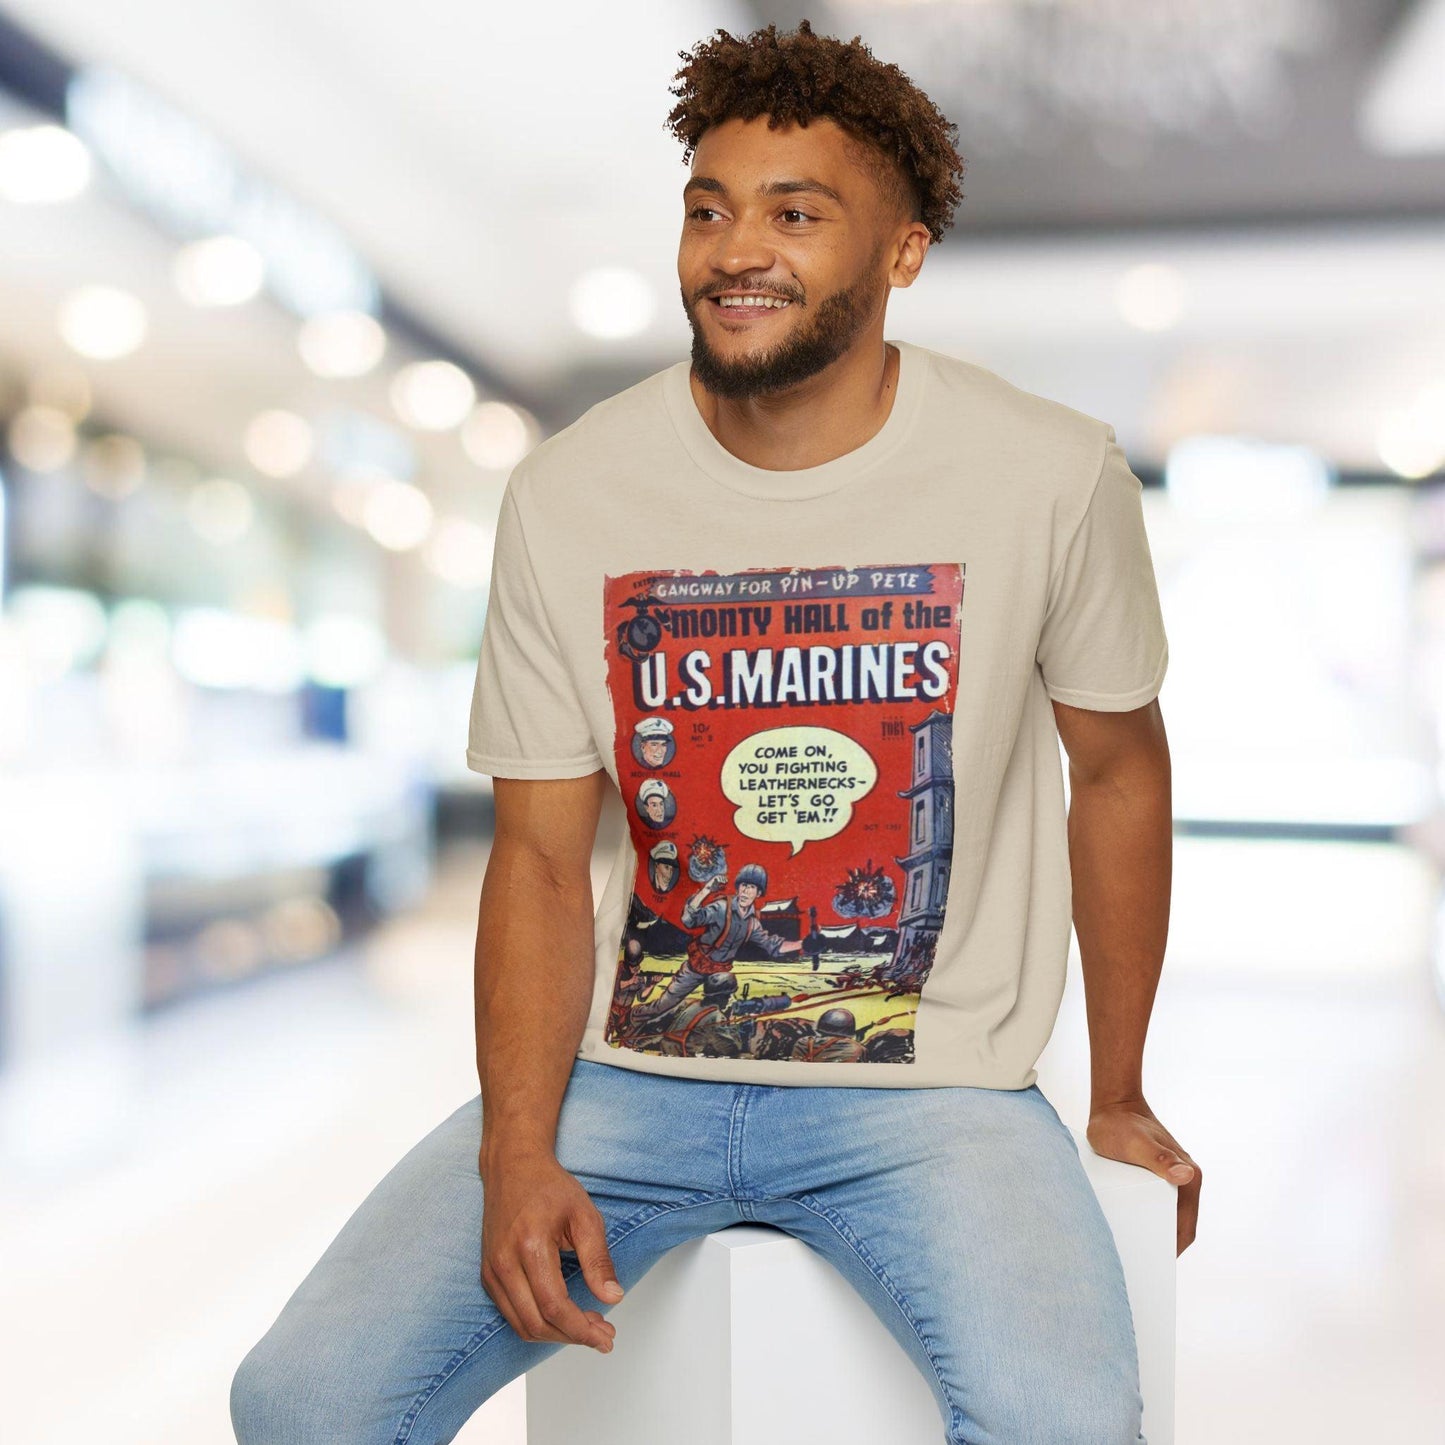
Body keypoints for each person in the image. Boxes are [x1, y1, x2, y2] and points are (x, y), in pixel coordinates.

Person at [230, 19, 1200, 1445]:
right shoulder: (574, 493)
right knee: (304, 1401)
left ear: (902, 254)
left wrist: (1116, 1091)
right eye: (708, 209)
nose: (736, 250)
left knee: (1066, 1423)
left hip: (936, 1092)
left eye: (795, 215)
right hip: (627, 1081)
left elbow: (1116, 773)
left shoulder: (1048, 473)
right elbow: (537, 856)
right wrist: (517, 1147)